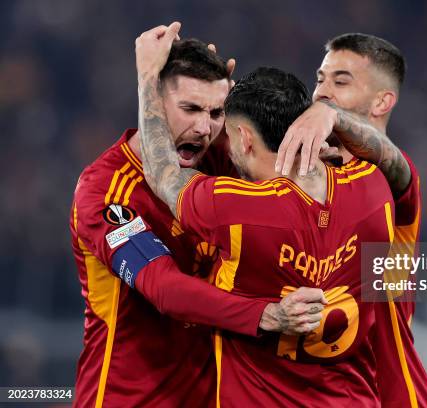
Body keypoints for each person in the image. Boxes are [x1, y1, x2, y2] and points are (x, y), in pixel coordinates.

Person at [136, 22, 395, 406]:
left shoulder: (237, 209)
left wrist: (147, 78)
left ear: (243, 139)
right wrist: (332, 117)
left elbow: (161, 171)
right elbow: (393, 161)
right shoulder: (373, 188)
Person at [70, 30, 324, 407]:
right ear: (152, 102)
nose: (204, 128)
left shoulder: (219, 161)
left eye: (216, 112)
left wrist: (323, 112)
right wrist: (266, 315)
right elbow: (165, 289)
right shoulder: (106, 190)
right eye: (190, 109)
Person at [275, 33, 427, 407]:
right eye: (320, 80)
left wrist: (333, 115)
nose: (322, 92)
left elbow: (393, 162)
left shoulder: (393, 182)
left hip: (390, 394)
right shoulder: (305, 180)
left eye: (341, 81)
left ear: (383, 101)